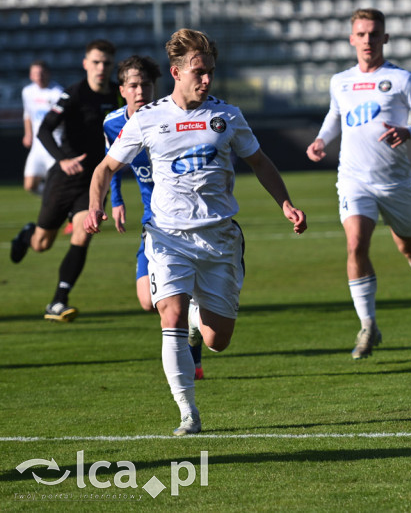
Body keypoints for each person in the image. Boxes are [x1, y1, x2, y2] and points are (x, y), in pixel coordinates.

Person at [86, 28, 307, 436]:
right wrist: (96, 204)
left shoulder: (227, 116)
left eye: (210, 72)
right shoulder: (148, 118)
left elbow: (260, 162)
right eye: (199, 72)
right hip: (168, 237)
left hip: (219, 238)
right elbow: (105, 168)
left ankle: (195, 317)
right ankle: (188, 412)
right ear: (176, 72)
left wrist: (286, 203)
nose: (207, 80)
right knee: (167, 313)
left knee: (216, 339)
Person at [306, 8, 411, 360]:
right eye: (361, 33)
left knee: (410, 247)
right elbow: (335, 116)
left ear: (385, 38)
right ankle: (368, 326)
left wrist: (408, 130)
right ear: (352, 38)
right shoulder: (340, 81)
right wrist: (322, 139)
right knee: (355, 245)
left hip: (395, 182)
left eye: (374, 33)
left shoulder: (401, 80)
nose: (367, 40)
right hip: (353, 180)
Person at [102, 55, 205, 379]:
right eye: (133, 85)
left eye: (145, 84)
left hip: (180, 217)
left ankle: (193, 358)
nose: (139, 90)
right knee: (147, 301)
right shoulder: (112, 123)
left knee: (174, 300)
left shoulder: (167, 115)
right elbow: (112, 164)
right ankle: (193, 324)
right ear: (122, 89)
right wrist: (116, 201)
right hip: (152, 219)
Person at [10, 40, 121, 322]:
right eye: (95, 62)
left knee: (83, 233)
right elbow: (45, 130)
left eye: (106, 63)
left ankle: (58, 301)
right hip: (64, 178)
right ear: (86, 63)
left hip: (94, 181)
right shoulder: (72, 94)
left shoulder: (118, 97)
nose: (101, 68)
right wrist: (61, 159)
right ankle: (29, 233)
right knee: (41, 244)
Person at [21, 60, 64, 195]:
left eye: (42, 73)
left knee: (56, 184)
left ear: (48, 74)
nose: (39, 76)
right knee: (30, 185)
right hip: (37, 146)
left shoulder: (57, 93)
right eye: (35, 73)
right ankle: (50, 200)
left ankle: (55, 203)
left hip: (54, 144)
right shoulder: (27, 92)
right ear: (30, 75)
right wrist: (28, 134)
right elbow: (28, 114)